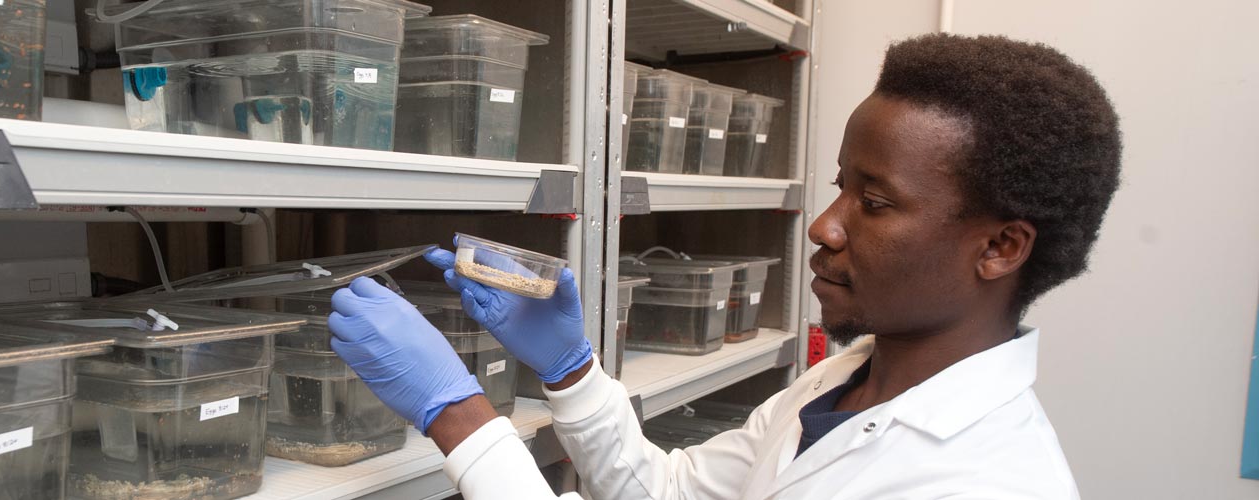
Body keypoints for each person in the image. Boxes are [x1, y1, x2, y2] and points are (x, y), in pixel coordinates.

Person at [326, 33, 1121, 499]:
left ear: (1000, 248)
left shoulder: (977, 483)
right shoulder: (849, 380)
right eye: (841, 187)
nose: (824, 225)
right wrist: (572, 373)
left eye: (874, 204)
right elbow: (667, 494)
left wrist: (460, 418)